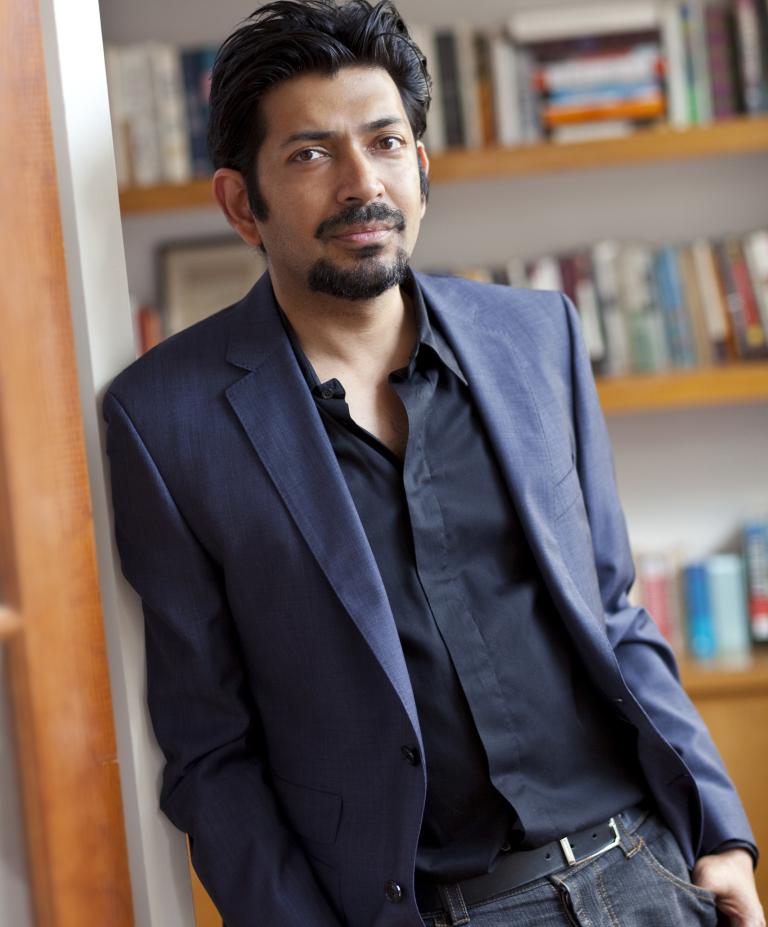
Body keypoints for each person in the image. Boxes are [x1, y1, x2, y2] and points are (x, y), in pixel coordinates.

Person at [102, 2, 764, 925]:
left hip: (646, 868)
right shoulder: (165, 419)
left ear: (420, 165)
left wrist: (720, 830)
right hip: (433, 907)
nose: (359, 182)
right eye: (309, 153)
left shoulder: (537, 337)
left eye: (385, 141)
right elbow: (213, 749)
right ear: (239, 202)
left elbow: (613, 613)